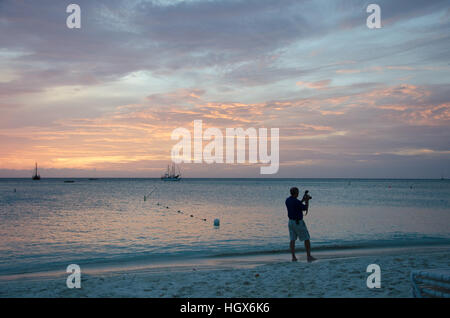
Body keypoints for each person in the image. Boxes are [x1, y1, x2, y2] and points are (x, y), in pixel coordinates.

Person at [285, 187, 316, 262]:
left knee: (292, 239)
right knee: (306, 238)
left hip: (291, 222)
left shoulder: (287, 200)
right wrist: (307, 201)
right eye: (298, 192)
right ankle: (308, 256)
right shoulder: (297, 202)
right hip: (298, 222)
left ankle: (293, 257)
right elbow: (304, 208)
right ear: (296, 193)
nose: (298, 193)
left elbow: (297, 205)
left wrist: (302, 200)